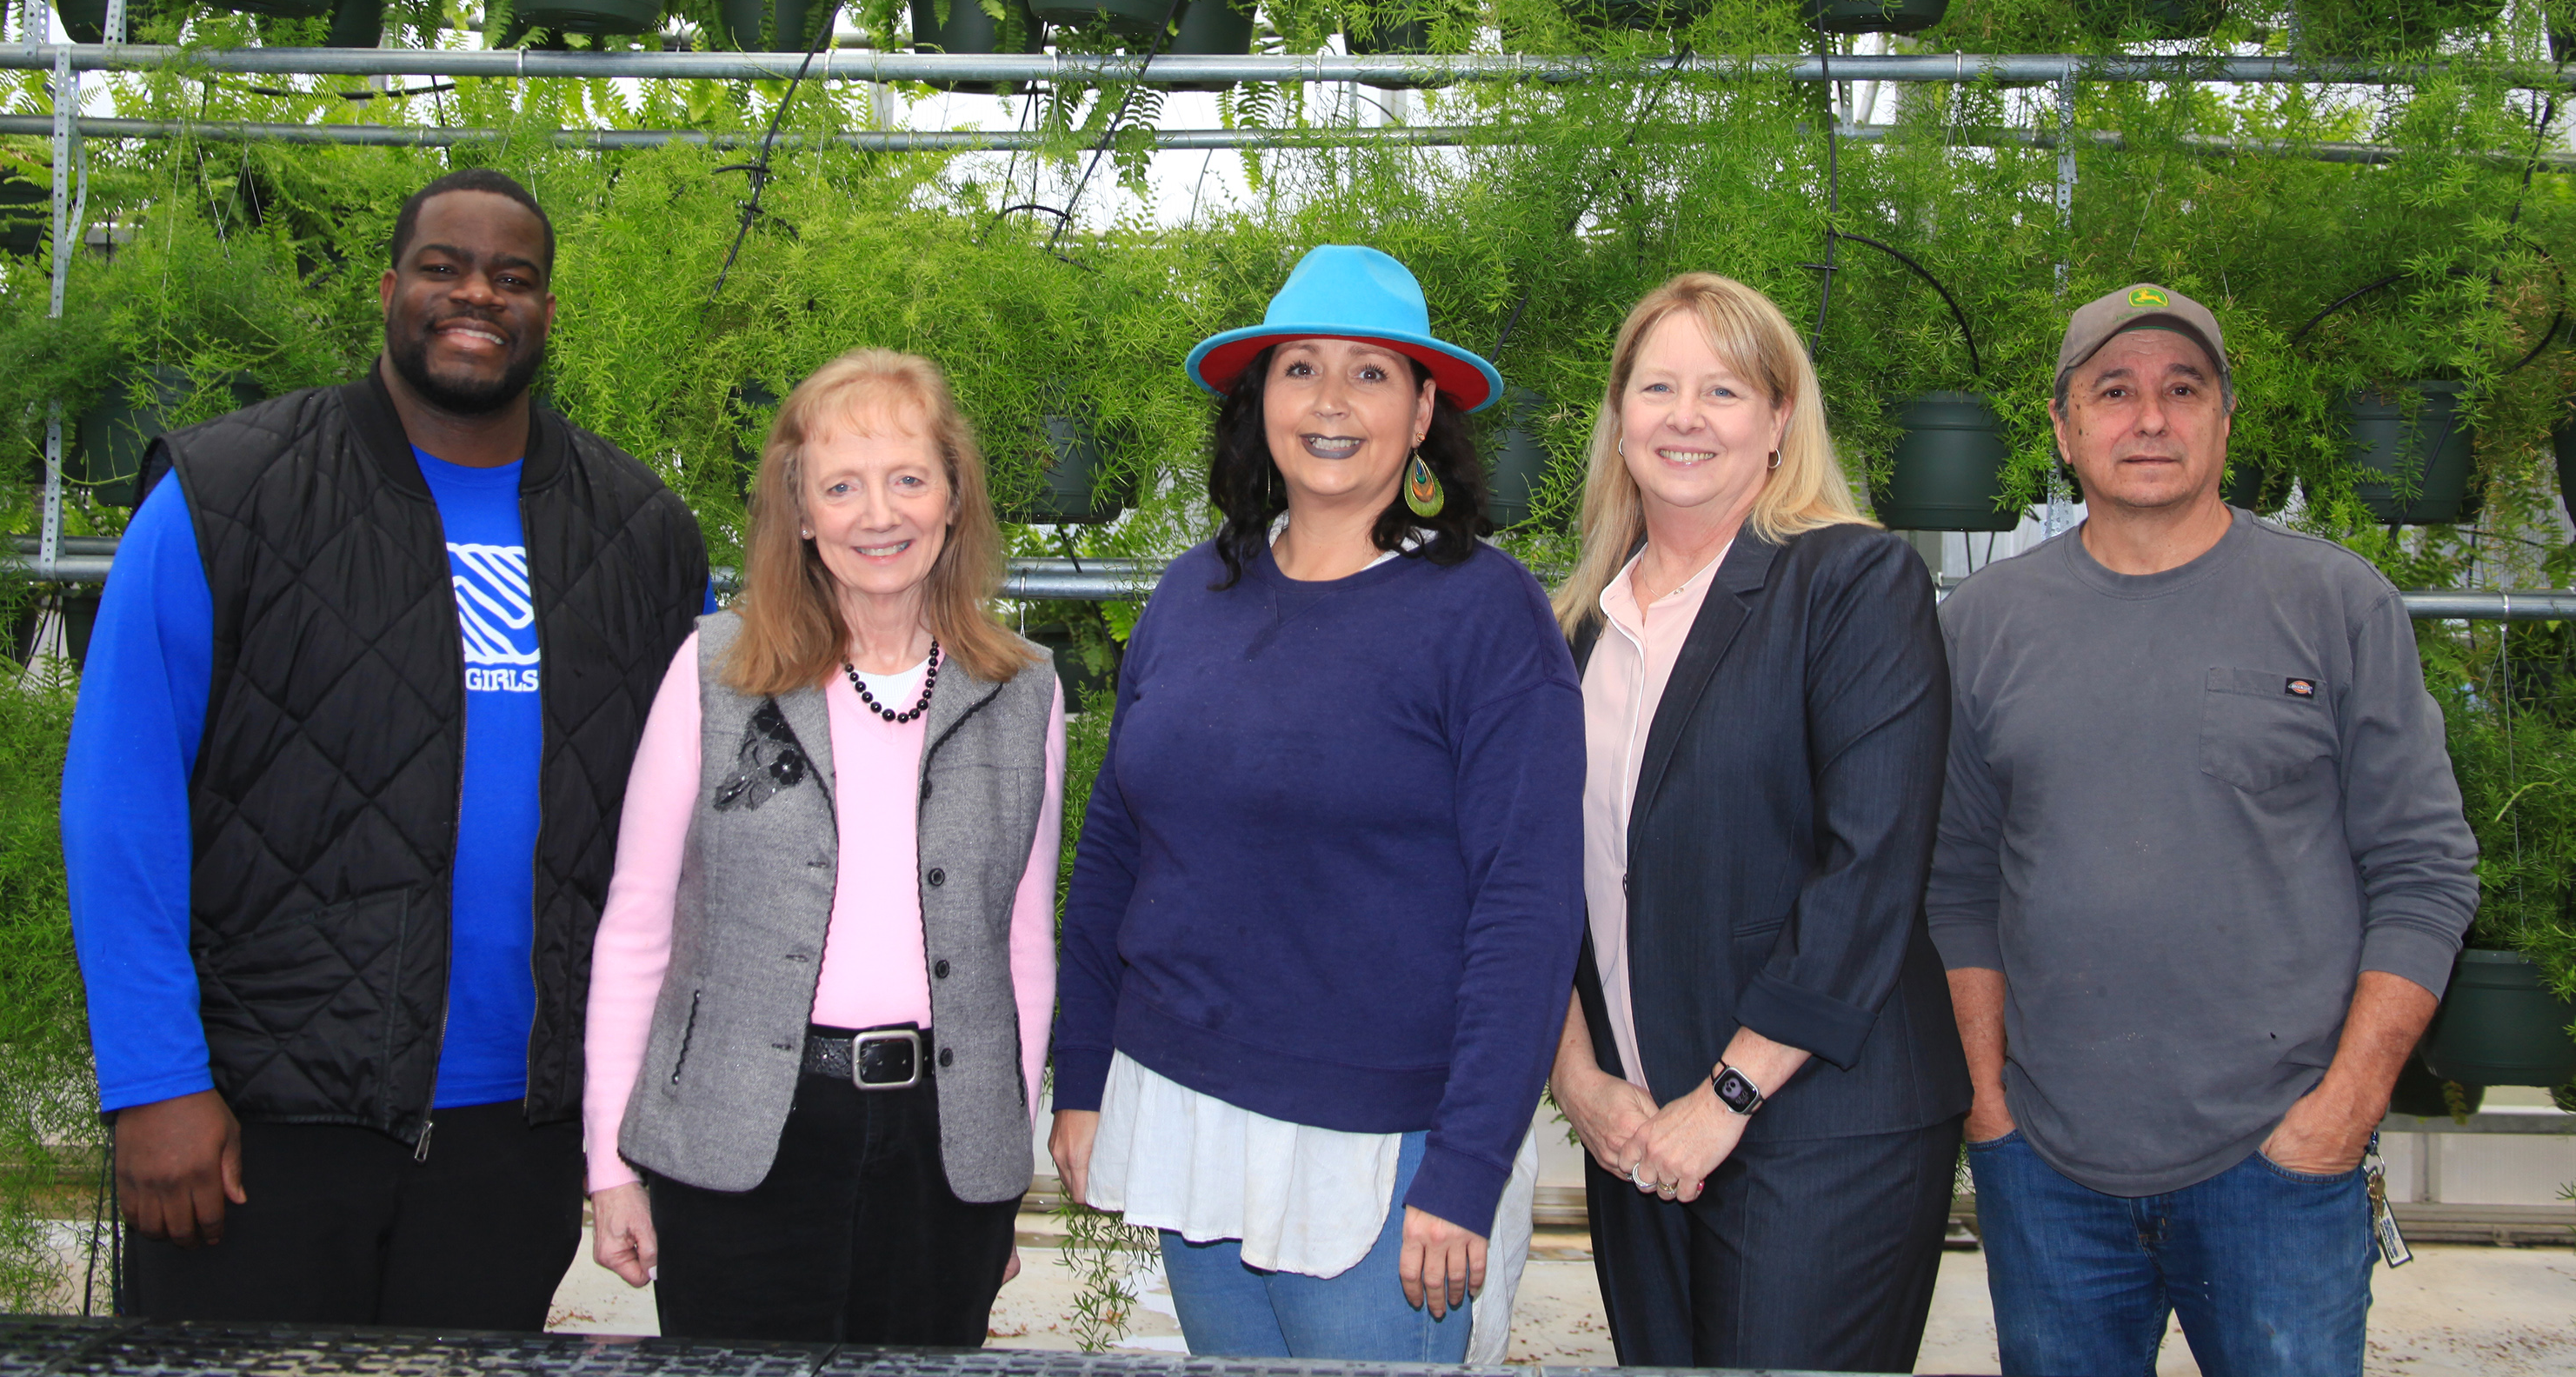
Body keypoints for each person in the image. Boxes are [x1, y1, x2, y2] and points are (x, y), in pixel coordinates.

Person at [60, 168, 713, 1328]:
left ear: (547, 314)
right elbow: (120, 801)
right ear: (390, 290)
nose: (477, 295)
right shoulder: (229, 493)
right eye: (444, 267)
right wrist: (156, 1079)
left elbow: (678, 836)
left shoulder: (640, 534)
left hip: (513, 1138)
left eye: (513, 278)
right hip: (262, 1120)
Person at [1930, 284, 2482, 1377]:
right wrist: (1989, 1106)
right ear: (2063, 425)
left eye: (2184, 390)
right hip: (2047, 1169)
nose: (2150, 418)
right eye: (2115, 391)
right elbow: (1958, 879)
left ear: (2226, 419)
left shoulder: (2335, 602)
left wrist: (2344, 1109)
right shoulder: (1982, 625)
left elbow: (2426, 873)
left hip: (2279, 1166)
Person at [1048, 245, 1583, 1363]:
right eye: (1300, 368)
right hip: (1188, 1108)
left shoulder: (1490, 615)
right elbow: (1113, 854)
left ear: (1426, 408)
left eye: (1372, 372)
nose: (1331, 401)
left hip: (1384, 1154)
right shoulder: (1193, 592)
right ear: (1261, 401)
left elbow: (1527, 909)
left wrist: (1469, 1164)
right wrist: (1085, 1077)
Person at [582, 349, 1061, 1345]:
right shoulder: (716, 668)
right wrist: (609, 1164)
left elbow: (1022, 947)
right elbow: (636, 925)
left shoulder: (1027, 691)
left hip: (943, 1155)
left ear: (953, 497)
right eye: (841, 485)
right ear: (800, 513)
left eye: (907, 479)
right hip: (738, 1141)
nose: (877, 514)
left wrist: (996, 1166)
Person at [1543, 272, 1970, 1373]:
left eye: (1724, 389)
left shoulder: (1851, 580)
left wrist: (1727, 1094)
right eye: (1659, 387)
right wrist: (1580, 1078)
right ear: (1620, 415)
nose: (1685, 417)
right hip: (1637, 1129)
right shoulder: (1575, 626)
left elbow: (1870, 867)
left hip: (1817, 1126)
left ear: (1781, 419)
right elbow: (1537, 878)